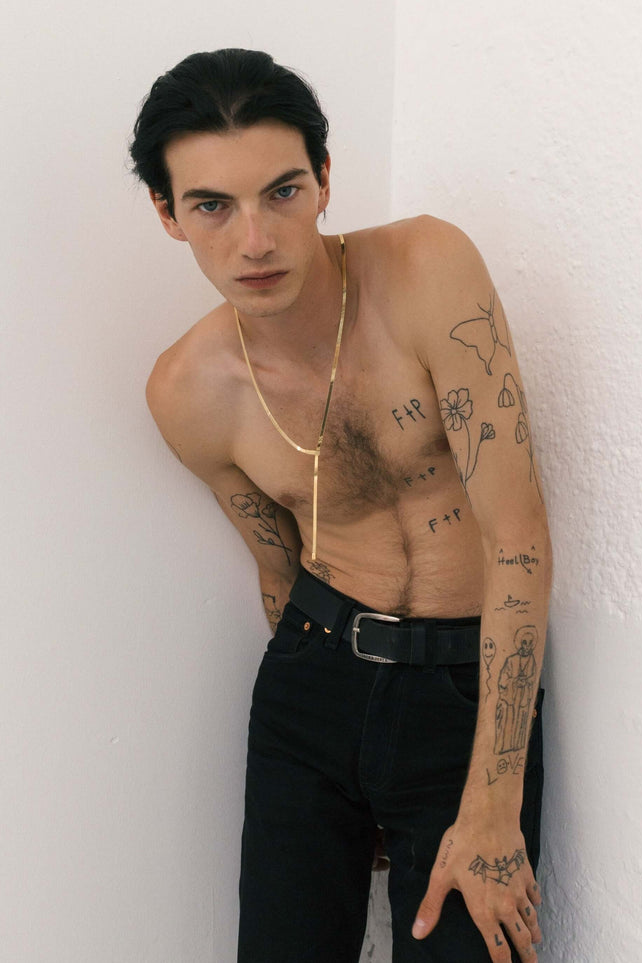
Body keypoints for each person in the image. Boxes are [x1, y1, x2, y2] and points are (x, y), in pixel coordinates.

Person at [130, 48, 551, 963]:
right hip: (310, 691)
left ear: (324, 180)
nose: (255, 240)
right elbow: (277, 565)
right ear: (167, 214)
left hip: (465, 688)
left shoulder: (427, 270)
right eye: (212, 206)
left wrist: (492, 804)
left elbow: (517, 540)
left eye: (281, 192)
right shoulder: (187, 392)